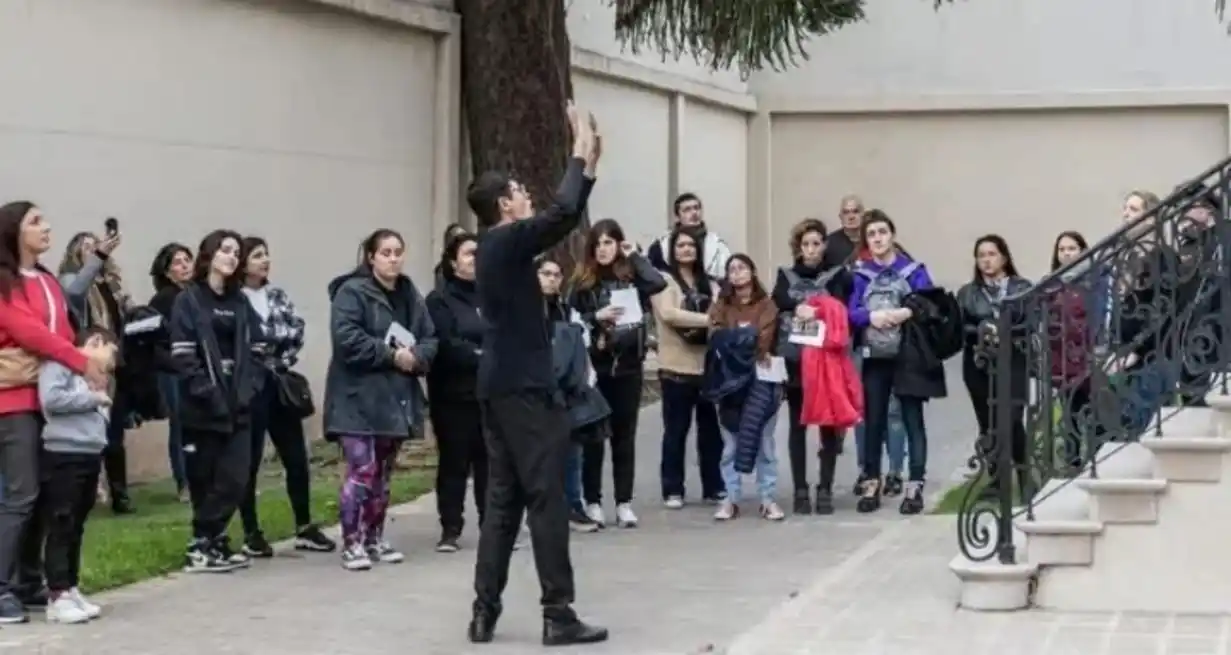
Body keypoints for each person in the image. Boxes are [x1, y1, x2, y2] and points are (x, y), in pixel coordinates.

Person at [466, 103, 607, 646]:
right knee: (546, 495)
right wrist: (578, 149)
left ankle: (485, 612)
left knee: (504, 501)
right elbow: (563, 212)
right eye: (520, 189)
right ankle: (559, 612)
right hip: (524, 388)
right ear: (505, 203)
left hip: (499, 386)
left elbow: (565, 211)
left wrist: (590, 165)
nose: (527, 193)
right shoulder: (504, 240)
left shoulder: (495, 248)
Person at [0, 201, 110, 623]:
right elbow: (31, 333)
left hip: (45, 400)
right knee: (20, 495)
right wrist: (82, 362)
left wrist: (77, 357)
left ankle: (29, 582)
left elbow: (59, 332)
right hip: (14, 403)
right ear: (14, 232)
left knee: (43, 498)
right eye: (35, 222)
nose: (46, 227)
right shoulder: (7, 282)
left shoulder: (45, 279)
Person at [323, 229, 437, 571]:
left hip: (395, 399)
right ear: (370, 257)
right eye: (385, 252)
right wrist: (390, 355)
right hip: (356, 398)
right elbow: (347, 339)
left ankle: (374, 537)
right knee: (362, 469)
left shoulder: (408, 294)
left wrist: (416, 357)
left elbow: (430, 337)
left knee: (384, 474)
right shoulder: (352, 292)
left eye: (398, 252)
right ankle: (352, 542)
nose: (393, 258)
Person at [170, 229, 268, 573]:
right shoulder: (190, 300)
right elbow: (182, 356)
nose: (232, 257)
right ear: (209, 255)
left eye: (237, 252)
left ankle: (211, 538)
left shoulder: (240, 302)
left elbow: (258, 349)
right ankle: (204, 545)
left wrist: (248, 388)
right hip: (202, 407)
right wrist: (208, 393)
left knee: (236, 478)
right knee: (206, 479)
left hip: (238, 404)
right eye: (226, 250)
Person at [235, 237, 335, 558]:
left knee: (295, 456)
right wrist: (263, 348)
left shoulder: (276, 295)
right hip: (249, 387)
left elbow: (295, 332)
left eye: (266, 255)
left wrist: (272, 353)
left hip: (278, 381)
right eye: (257, 256)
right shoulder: (234, 299)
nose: (265, 261)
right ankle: (251, 531)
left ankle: (305, 525)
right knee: (248, 462)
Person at [569, 218, 666, 528]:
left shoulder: (632, 278)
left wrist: (635, 255)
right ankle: (593, 500)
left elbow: (658, 283)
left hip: (628, 366)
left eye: (609, 242)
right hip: (596, 368)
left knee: (624, 437)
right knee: (594, 436)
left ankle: (624, 502)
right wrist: (596, 316)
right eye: (598, 244)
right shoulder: (584, 283)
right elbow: (571, 320)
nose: (603, 249)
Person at [848, 211, 939, 515]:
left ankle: (914, 484)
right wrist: (869, 316)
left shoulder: (914, 270)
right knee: (873, 419)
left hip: (909, 354)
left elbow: (930, 302)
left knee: (912, 418)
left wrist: (906, 312)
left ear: (893, 235)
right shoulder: (860, 274)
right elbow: (851, 311)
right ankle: (872, 480)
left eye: (882, 232)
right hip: (875, 355)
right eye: (871, 234)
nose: (877, 238)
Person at [771, 218, 852, 515]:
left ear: (824, 245)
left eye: (816, 243)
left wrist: (817, 308)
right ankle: (800, 489)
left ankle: (826, 488)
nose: (811, 249)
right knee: (797, 425)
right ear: (798, 247)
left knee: (828, 425)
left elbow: (843, 308)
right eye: (806, 244)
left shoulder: (837, 275)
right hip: (795, 359)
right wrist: (796, 308)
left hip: (826, 360)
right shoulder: (786, 275)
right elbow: (777, 302)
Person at [38, 326, 118, 624]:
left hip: (89, 453)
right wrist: (94, 399)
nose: (110, 365)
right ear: (95, 342)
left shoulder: (97, 377)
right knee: (62, 521)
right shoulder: (59, 364)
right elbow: (52, 401)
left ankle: (71, 586)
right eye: (110, 354)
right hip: (63, 453)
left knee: (77, 525)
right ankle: (57, 593)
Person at [58, 231, 133, 514]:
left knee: (114, 432)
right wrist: (97, 259)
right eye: (86, 248)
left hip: (115, 361)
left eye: (97, 247)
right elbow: (75, 292)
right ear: (74, 254)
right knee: (95, 425)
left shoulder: (109, 284)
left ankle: (120, 494)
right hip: (88, 360)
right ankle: (91, 490)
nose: (93, 251)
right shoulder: (69, 280)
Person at [650, 225, 723, 509]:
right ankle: (672, 488)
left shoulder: (709, 282)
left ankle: (713, 486)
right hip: (676, 366)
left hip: (706, 365)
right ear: (672, 250)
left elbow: (720, 311)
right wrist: (706, 320)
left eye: (691, 246)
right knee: (676, 430)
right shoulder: (663, 280)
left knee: (710, 432)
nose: (687, 250)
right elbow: (669, 314)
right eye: (680, 246)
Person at [706, 254, 784, 521]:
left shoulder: (767, 305)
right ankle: (731, 498)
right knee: (729, 446)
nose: (737, 273)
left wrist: (736, 339)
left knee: (765, 443)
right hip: (729, 382)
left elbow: (763, 340)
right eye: (732, 269)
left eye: (742, 268)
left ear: (752, 271)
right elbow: (716, 336)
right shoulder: (721, 306)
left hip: (762, 380)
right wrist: (741, 338)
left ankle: (768, 498)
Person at [426, 232, 489, 553]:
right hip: (453, 395)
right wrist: (483, 355)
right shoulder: (440, 300)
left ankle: (492, 526)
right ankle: (450, 527)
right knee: (455, 462)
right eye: (469, 254)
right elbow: (448, 344)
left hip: (489, 393)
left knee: (489, 463)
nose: (475, 259)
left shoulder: (491, 295)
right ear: (453, 262)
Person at [956, 235, 1031, 499]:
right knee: (988, 423)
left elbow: (1030, 322)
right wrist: (981, 329)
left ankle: (1024, 476)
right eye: (981, 256)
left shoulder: (1021, 287)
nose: (986, 260)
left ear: (1004, 257)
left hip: (1013, 362)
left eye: (991, 254)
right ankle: (998, 479)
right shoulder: (968, 293)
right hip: (979, 363)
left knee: (1010, 420)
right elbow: (960, 328)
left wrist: (1005, 330)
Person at [537, 256, 600, 534]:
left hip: (567, 391)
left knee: (572, 451)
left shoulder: (566, 311)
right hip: (535, 390)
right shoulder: (524, 310)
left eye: (557, 274)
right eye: (546, 273)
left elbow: (581, 344)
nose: (552, 279)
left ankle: (573, 506)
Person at [148, 242, 194, 501]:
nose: (185, 265)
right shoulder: (164, 299)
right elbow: (155, 341)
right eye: (178, 262)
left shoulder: (196, 295)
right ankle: (184, 482)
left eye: (187, 259)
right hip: (171, 371)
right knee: (180, 425)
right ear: (167, 272)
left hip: (193, 367)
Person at [646, 192, 732, 277]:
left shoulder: (718, 246)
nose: (694, 213)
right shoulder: (660, 247)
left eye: (696, 208)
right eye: (687, 210)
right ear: (677, 216)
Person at [820, 194, 864, 270]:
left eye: (855, 211)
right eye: (846, 212)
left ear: (863, 215)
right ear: (840, 217)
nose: (851, 217)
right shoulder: (828, 243)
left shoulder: (872, 240)